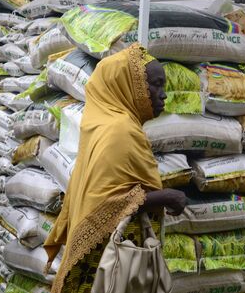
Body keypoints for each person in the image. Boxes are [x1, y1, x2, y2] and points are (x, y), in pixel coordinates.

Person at [43, 43, 187, 293]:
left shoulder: (105, 123)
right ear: (126, 85)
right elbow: (108, 202)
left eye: (163, 85)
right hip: (106, 258)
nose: (163, 95)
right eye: (155, 84)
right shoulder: (119, 130)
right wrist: (166, 196)